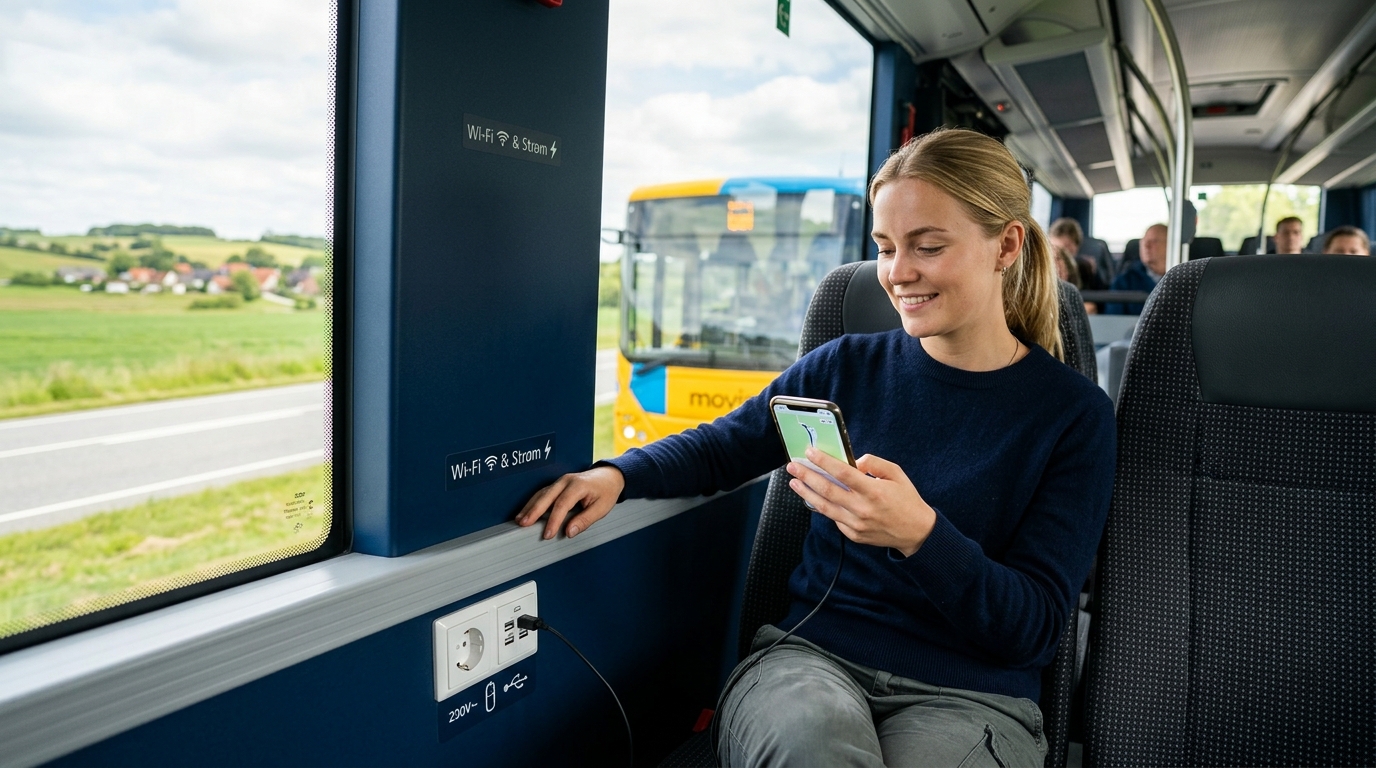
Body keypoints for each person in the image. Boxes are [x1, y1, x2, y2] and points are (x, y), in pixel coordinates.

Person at [516, 128, 1116, 768]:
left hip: (972, 698)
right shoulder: (844, 368)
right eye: (885, 248)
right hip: (810, 664)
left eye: (928, 247)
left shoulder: (1073, 417)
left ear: (1007, 244)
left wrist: (920, 536)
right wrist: (618, 473)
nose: (897, 273)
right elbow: (724, 447)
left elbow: (1036, 629)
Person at [1105, 223, 1166, 314]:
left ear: (1170, 245)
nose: (1146, 246)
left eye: (1154, 241)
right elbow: (1113, 321)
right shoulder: (1124, 282)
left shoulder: (1184, 279)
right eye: (1144, 241)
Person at [1049, 217, 1107, 290]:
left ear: (1076, 246)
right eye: (1053, 248)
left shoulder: (1086, 268)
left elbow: (1099, 296)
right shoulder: (1043, 269)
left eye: (1065, 248)